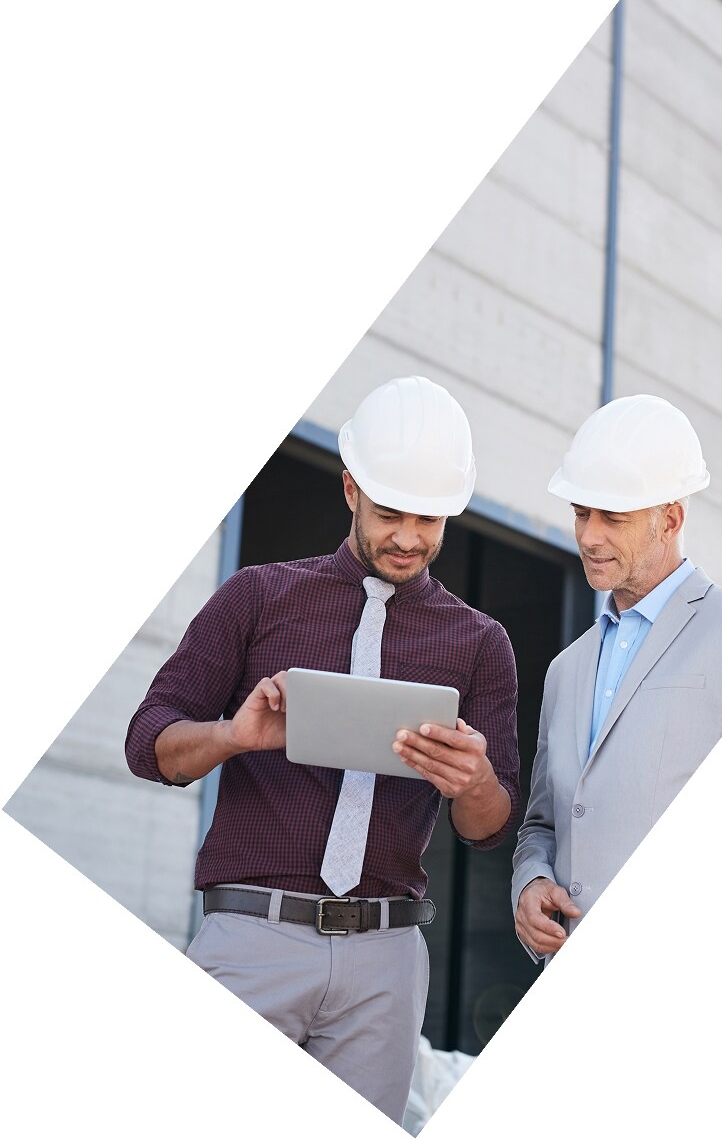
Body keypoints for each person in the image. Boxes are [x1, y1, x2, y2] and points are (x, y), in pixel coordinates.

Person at [125, 375, 520, 1123]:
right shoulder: (257, 596)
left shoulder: (480, 643)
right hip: (250, 938)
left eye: (428, 518)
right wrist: (232, 736)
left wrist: (473, 783)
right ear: (350, 489)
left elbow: (491, 827)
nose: (408, 537)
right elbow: (148, 743)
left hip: (386, 962)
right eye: (390, 512)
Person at [512, 393, 722, 959]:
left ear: (670, 519)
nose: (589, 536)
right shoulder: (565, 670)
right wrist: (531, 881)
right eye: (581, 513)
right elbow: (542, 824)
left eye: (612, 518)